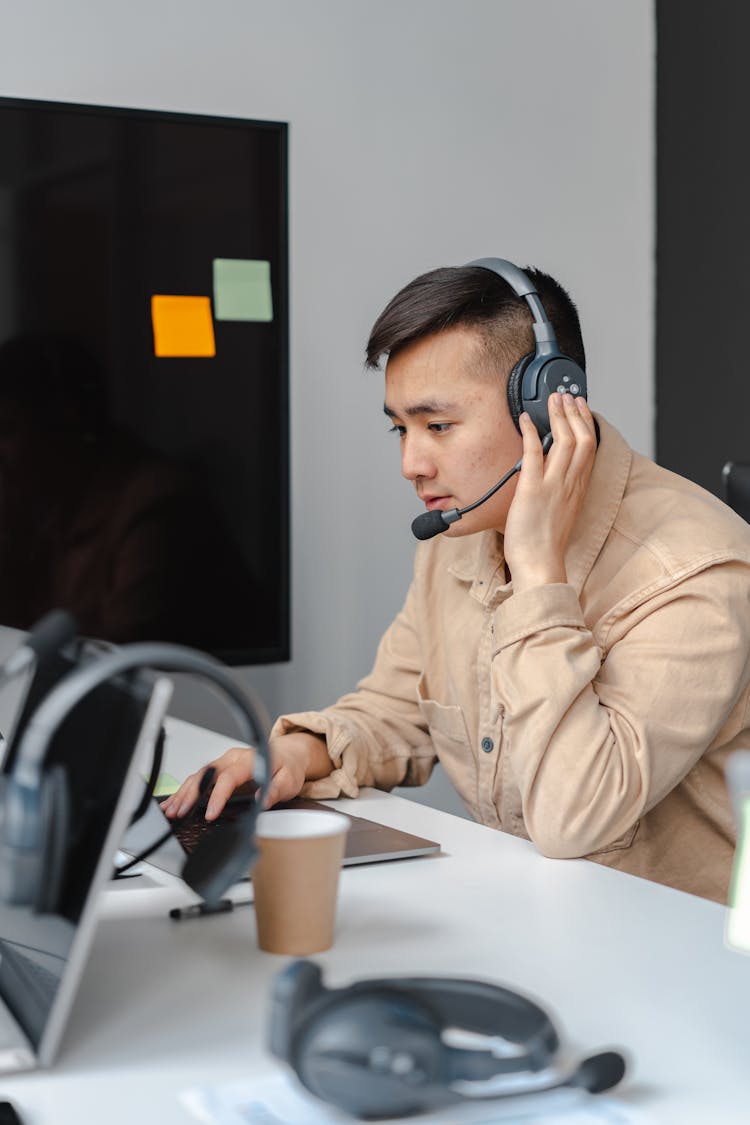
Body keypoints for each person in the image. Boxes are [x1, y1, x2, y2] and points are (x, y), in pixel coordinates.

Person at [163, 259, 750, 903]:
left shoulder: (694, 574)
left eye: (438, 426)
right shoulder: (466, 529)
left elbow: (573, 819)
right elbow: (399, 708)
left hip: (679, 960)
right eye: (400, 428)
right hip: (533, 917)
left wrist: (537, 574)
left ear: (550, 407)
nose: (412, 465)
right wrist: (298, 756)